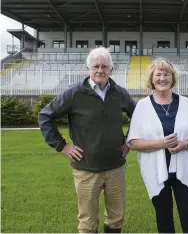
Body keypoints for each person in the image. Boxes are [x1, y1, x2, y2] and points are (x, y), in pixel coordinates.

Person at [38, 47, 136, 233]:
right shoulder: (75, 93)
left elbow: (138, 116)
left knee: (116, 219)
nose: (100, 70)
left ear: (111, 70)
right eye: (96, 66)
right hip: (86, 169)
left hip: (116, 167)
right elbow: (45, 116)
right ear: (88, 69)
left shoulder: (120, 93)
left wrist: (129, 140)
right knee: (88, 222)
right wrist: (62, 145)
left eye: (104, 66)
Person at [126, 58, 188, 233]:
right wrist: (161, 143)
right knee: (164, 220)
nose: (163, 78)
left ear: (173, 78)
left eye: (166, 74)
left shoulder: (185, 103)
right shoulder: (142, 106)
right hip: (156, 172)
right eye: (158, 74)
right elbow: (133, 142)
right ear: (152, 79)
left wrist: (184, 145)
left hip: (183, 170)